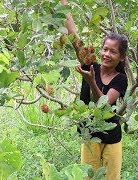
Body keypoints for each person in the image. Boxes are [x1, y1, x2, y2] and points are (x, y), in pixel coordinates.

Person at [61, 0, 128, 179]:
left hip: (111, 136)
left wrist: (91, 81)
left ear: (121, 57)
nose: (106, 54)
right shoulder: (90, 64)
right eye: (105, 49)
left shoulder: (120, 79)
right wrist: (63, 5)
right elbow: (74, 37)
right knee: (87, 177)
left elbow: (103, 105)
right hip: (89, 134)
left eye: (113, 52)